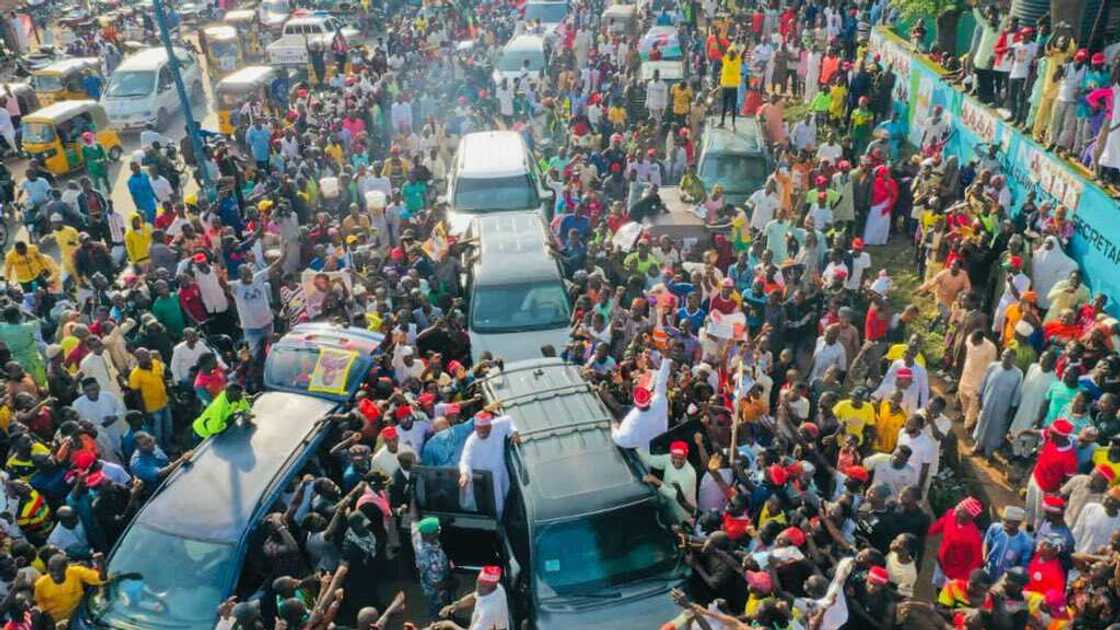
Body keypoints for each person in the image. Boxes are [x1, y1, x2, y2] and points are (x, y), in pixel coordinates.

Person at [459, 412, 520, 517]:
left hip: (500, 470)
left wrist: (514, 432)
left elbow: (508, 419)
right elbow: (465, 460)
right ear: (476, 427)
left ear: (490, 426)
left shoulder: (498, 425)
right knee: (497, 505)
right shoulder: (471, 440)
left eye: (485, 429)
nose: (482, 432)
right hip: (485, 477)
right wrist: (464, 474)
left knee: (506, 496)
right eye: (479, 429)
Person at [438, 565, 509, 630]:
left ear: (490, 586)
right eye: (478, 582)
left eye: (482, 585)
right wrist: (455, 606)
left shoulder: (487, 612)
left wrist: (449, 625)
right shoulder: (496, 588)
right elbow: (474, 596)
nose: (478, 586)